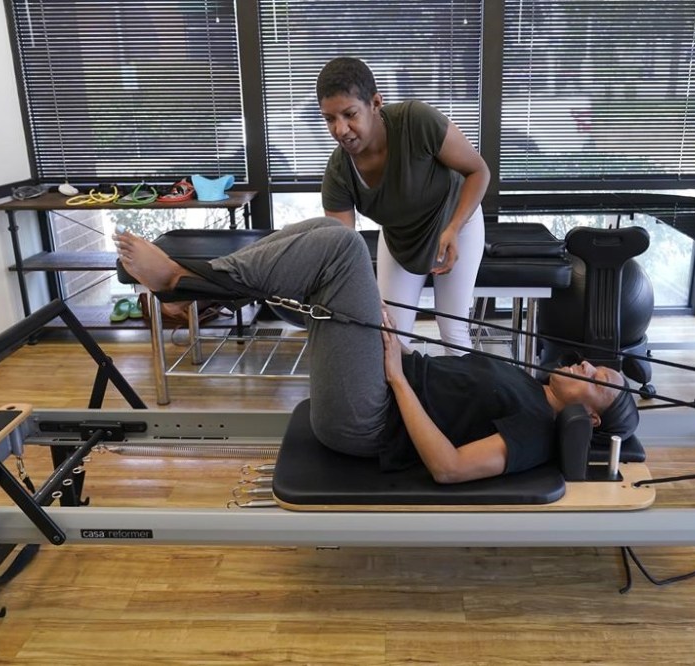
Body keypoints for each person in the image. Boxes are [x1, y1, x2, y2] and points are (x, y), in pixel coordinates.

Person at [115, 217, 638, 485]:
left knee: (341, 249)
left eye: (598, 380)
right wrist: (389, 344)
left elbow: (449, 467)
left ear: (588, 421)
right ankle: (195, 286)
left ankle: (186, 284)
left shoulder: (535, 432)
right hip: (377, 382)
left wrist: (397, 376)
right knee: (332, 231)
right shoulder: (531, 385)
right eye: (598, 366)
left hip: (368, 418)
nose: (588, 364)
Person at [316, 57, 491, 356]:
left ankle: (465, 400)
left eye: (349, 114)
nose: (340, 129)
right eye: (330, 119)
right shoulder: (338, 173)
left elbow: (478, 171)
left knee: (452, 328)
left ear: (375, 102)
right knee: (390, 334)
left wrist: (453, 228)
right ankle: (403, 401)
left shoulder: (417, 121)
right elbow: (344, 249)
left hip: (455, 223)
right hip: (400, 237)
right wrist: (367, 296)